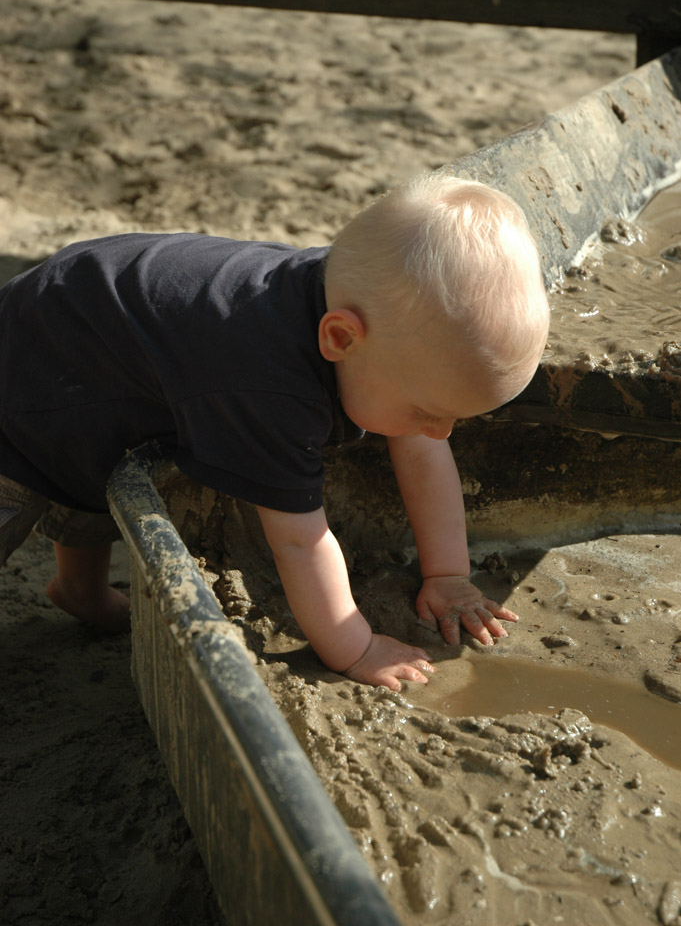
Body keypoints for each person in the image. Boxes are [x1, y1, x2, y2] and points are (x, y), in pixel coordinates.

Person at [0, 170, 549, 690]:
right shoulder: (270, 388)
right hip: (28, 371)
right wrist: (354, 648)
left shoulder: (357, 305)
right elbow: (298, 538)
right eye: (430, 411)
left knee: (91, 459)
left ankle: (79, 590)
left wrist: (449, 575)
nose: (441, 431)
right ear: (340, 339)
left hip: (89, 347)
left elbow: (424, 452)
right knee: (31, 471)